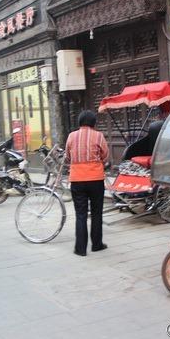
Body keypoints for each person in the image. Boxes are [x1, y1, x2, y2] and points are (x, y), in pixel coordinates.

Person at [65, 110, 109, 256]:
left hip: (77, 180)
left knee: (81, 214)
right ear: (93, 123)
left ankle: (80, 249)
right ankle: (96, 245)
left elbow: (67, 156)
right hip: (96, 179)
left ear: (79, 122)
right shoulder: (98, 136)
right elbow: (106, 155)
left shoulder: (71, 136)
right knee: (97, 213)